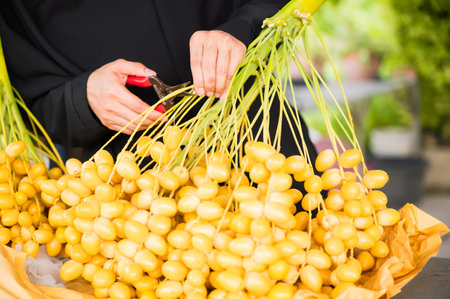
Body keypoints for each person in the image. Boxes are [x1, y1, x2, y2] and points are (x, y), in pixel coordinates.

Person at [0, 0, 316, 168]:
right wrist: (85, 100)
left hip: (261, 138)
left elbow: (278, 5)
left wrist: (239, 30)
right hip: (126, 188)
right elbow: (30, 103)